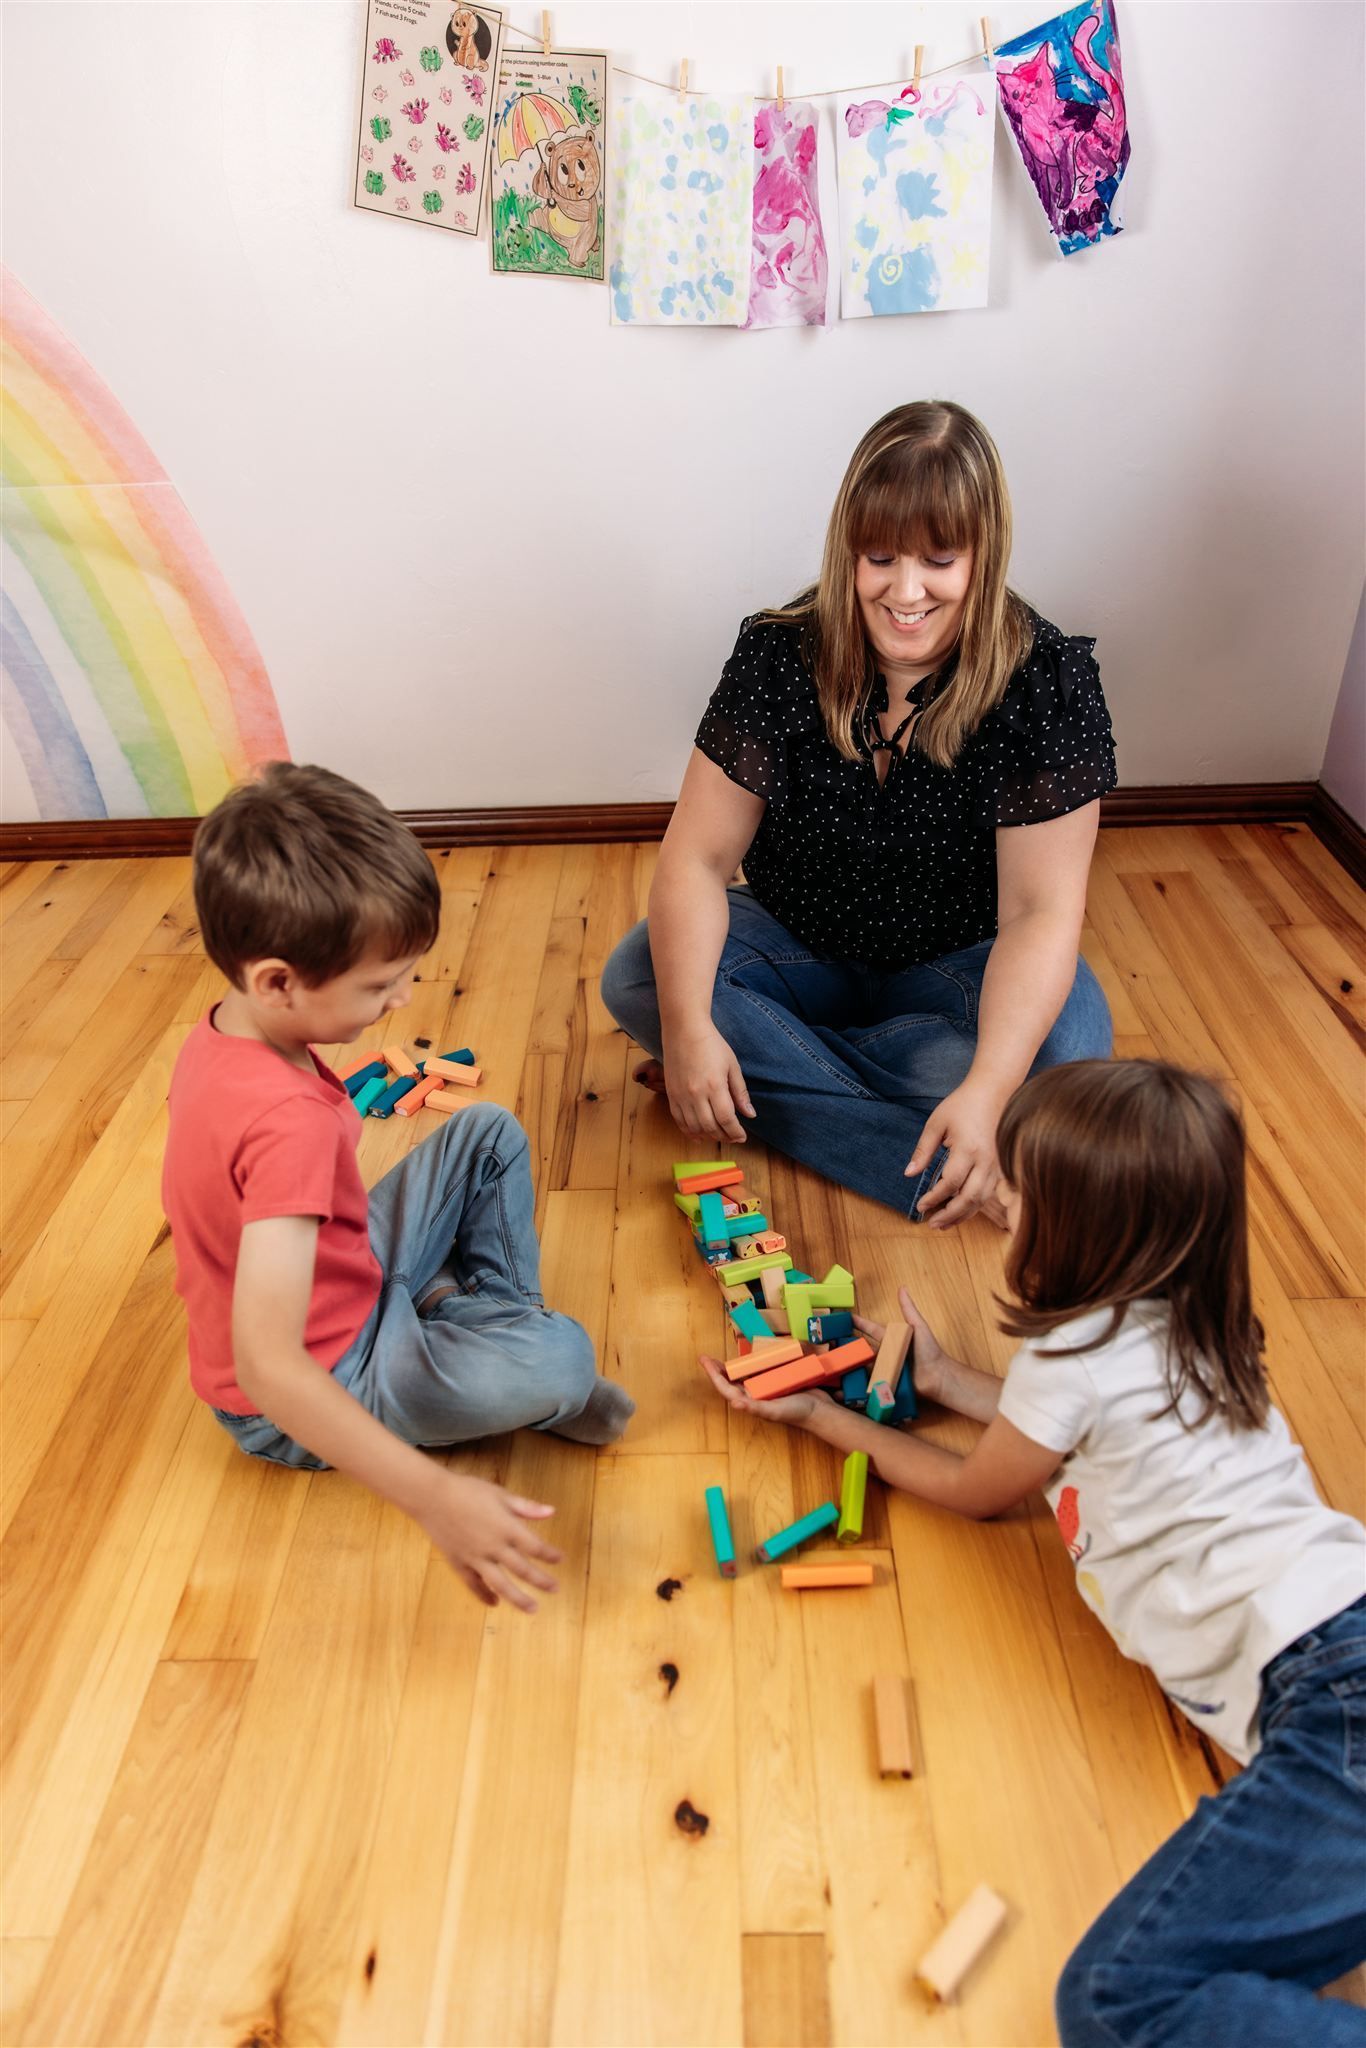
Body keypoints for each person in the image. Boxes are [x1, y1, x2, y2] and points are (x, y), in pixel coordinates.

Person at [701, 1058, 1366, 2043]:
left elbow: (979, 1491)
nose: (996, 1203)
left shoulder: (1069, 1356)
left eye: (1015, 1193)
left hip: (1330, 1690)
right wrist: (944, 1377)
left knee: (1115, 2001)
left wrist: (818, 1419)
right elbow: (1055, 1430)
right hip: (1338, 1638)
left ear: (1080, 1233)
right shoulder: (1194, 1311)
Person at [601, 399, 1117, 1229]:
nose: (904, 592)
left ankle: (779, 1076)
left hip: (957, 964)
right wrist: (692, 1027)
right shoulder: (779, 653)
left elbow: (1039, 913)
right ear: (848, 549)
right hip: (798, 937)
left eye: (939, 561)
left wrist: (987, 1085)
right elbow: (695, 861)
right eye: (879, 557)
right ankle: (933, 1155)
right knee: (639, 978)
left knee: (1062, 1059)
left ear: (984, 556)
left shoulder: (1045, 683)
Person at [162, 763, 633, 1612]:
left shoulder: (227, 1031)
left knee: (487, 1134)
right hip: (317, 1378)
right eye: (378, 987)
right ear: (277, 980)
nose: (403, 1000)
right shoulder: (286, 1125)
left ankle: (456, 1312)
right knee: (561, 1362)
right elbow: (270, 1368)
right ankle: (476, 1326)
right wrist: (435, 1496)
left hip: (343, 1271)